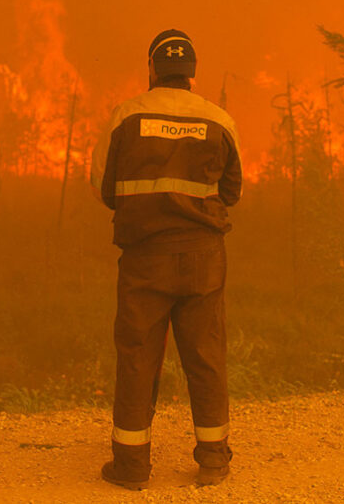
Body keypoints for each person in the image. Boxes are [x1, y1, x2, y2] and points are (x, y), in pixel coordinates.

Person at [89, 29, 242, 490]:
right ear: (191, 73)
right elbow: (232, 192)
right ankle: (213, 460)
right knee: (206, 356)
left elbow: (103, 187)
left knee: (138, 357)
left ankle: (132, 468)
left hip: (145, 258)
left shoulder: (126, 116)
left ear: (152, 69)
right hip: (203, 259)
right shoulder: (219, 120)